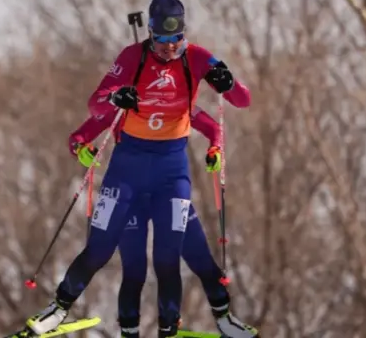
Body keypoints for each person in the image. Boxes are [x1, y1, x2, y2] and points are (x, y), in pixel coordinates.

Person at [22, 0, 251, 338]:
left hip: (171, 171)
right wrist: (115, 96)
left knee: (168, 258)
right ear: (151, 34)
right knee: (99, 248)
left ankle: (174, 328)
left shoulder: (198, 58)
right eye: (161, 41)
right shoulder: (133, 57)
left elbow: (242, 100)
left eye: (176, 40)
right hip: (127, 169)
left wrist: (228, 82)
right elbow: (95, 105)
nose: (170, 48)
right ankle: (58, 309)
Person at [70, 106, 259, 338]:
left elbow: (213, 128)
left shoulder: (177, 101)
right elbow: (79, 136)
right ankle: (130, 331)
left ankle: (220, 320)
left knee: (197, 259)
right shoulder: (125, 102)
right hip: (132, 197)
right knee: (134, 269)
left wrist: (215, 149)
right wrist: (81, 148)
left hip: (168, 192)